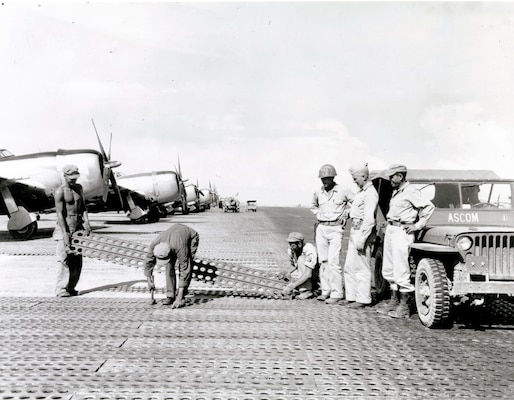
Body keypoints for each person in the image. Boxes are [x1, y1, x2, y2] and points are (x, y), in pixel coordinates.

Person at [375, 164, 435, 318]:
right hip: (391, 229)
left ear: (400, 176)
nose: (390, 180)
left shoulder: (411, 191)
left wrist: (417, 226)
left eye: (392, 176)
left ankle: (404, 306)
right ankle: (394, 301)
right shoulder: (397, 192)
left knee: (401, 268)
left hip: (402, 232)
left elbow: (428, 207)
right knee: (389, 268)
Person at [311, 164, 354, 304]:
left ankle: (337, 293)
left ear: (333, 177)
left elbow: (356, 203)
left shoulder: (343, 191)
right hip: (322, 227)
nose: (325, 181)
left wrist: (346, 214)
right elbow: (313, 206)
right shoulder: (318, 192)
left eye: (328, 178)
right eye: (323, 179)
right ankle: (325, 291)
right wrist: (319, 214)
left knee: (334, 262)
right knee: (323, 261)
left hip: (336, 229)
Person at [341, 162, 379, 308]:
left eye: (355, 178)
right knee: (349, 266)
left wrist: (362, 239)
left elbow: (369, 219)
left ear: (364, 176)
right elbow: (357, 210)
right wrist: (348, 213)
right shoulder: (361, 192)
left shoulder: (370, 193)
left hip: (362, 232)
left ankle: (363, 299)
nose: (354, 181)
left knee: (362, 267)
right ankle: (351, 296)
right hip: (354, 230)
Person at [54, 164, 91, 297]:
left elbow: (84, 207)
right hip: (65, 225)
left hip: (78, 227)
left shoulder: (79, 188)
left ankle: (71, 287)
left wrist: (87, 221)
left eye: (75, 177)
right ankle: (61, 289)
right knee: (64, 259)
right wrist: (65, 233)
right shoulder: (60, 191)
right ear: (64, 176)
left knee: (77, 259)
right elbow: (59, 214)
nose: (74, 180)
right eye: (71, 177)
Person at [144, 223, 199, 308]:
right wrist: (149, 280)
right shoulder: (155, 244)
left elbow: (185, 269)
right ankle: (170, 295)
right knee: (169, 266)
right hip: (174, 238)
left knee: (187, 264)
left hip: (190, 237)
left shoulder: (180, 247)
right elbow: (148, 261)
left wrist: (179, 299)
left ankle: (182, 295)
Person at [281, 232, 318, 299]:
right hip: (304, 272)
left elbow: (308, 274)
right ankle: (299, 287)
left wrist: (293, 285)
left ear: (300, 244)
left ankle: (306, 291)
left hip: (315, 273)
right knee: (291, 275)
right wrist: (287, 272)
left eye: (293, 245)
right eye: (289, 244)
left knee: (301, 259)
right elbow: (294, 265)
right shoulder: (291, 250)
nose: (290, 247)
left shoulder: (309, 249)